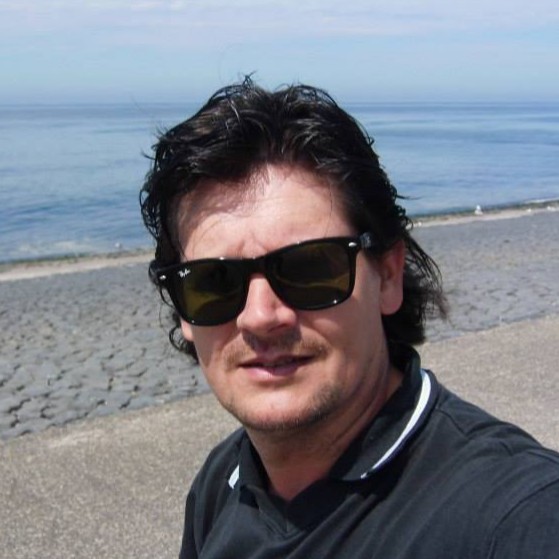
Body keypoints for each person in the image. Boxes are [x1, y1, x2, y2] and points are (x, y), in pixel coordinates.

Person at [140, 78, 559, 558]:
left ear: (388, 276)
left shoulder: (515, 517)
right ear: (182, 311)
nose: (260, 317)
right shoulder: (225, 481)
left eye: (310, 268)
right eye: (213, 281)